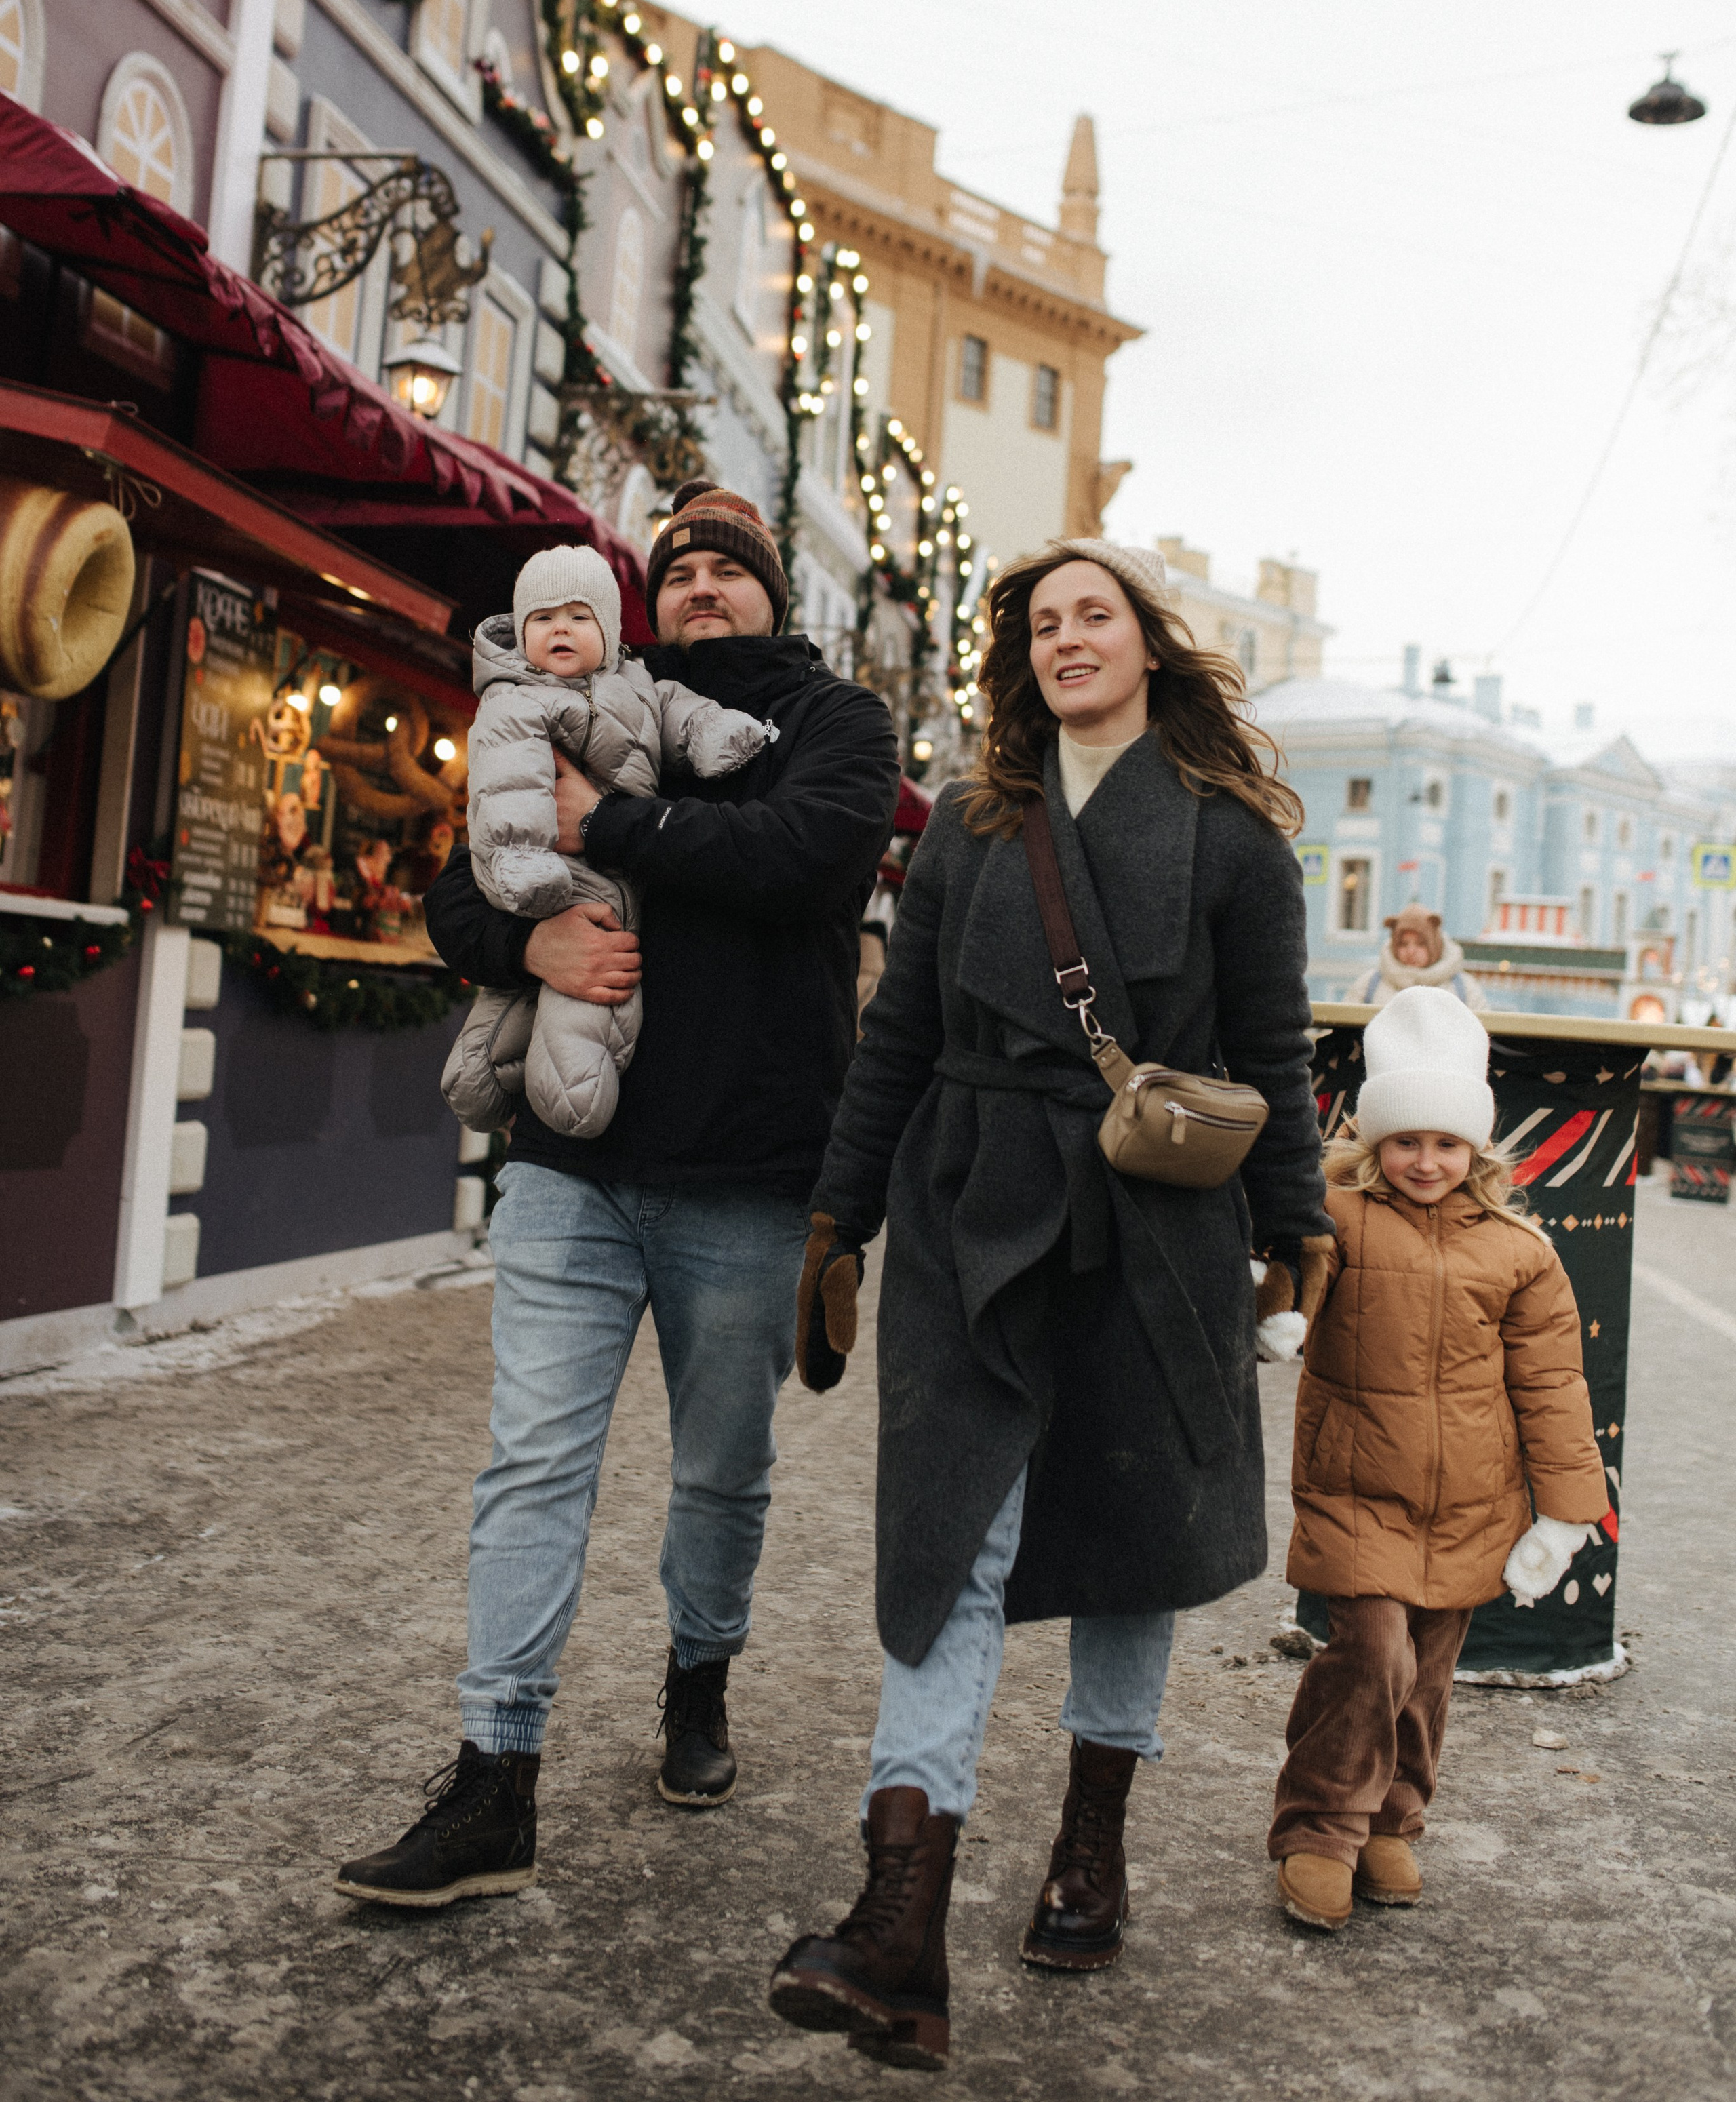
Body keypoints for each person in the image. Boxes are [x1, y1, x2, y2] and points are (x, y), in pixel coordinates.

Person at [767, 540, 1328, 2070]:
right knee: (945, 1537)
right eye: (1038, 622)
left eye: (1094, 614)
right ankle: (899, 1924)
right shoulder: (965, 827)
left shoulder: (1233, 844)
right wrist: (842, 1212)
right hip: (969, 1211)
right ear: (1017, 658)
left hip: (1160, 1229)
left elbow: (1272, 1060)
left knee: (1131, 1540)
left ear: (1150, 642)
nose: (1064, 637)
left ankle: (1092, 1842)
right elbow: (893, 1041)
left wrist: (1294, 1235)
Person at [333, 482, 900, 1909]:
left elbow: (799, 862)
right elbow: (466, 890)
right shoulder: (574, 693)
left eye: (729, 567)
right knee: (531, 1459)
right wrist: (528, 956)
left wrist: (616, 824)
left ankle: (697, 1678)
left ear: (775, 592)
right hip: (572, 1169)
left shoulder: (828, 727)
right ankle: (493, 1779)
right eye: (679, 569)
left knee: (720, 1467)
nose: (702, 584)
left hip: (752, 1175)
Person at [1268, 988, 1609, 1932]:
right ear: (1375, 1142)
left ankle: (1393, 1818)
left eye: (1447, 1143)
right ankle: (1319, 1825)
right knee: (1368, 1654)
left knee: (1423, 1674)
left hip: (1471, 1503)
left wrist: (1566, 1511)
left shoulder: (1520, 1251)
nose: (1426, 1160)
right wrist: (1278, 1305)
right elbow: (1288, 1278)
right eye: (1407, 1140)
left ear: (1478, 1151)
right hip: (1355, 1489)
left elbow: (1553, 1385)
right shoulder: (1336, 1215)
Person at [443, 544, 770, 1138]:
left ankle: (494, 1079)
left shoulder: (641, 683)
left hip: (612, 883)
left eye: (578, 616)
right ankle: (511, 1084)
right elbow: (506, 782)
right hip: (538, 872)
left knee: (579, 985)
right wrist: (521, 859)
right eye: (542, 619)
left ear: (611, 630)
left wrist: (714, 731)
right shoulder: (514, 700)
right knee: (574, 999)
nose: (559, 629)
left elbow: (679, 713)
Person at [1352, 903, 1488, 1009]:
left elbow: (1485, 1035)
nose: (1411, 951)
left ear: (1434, 945)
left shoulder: (1465, 988)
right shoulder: (1369, 985)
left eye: (1421, 944)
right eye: (1403, 944)